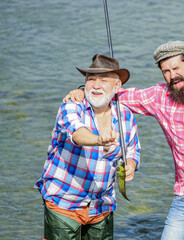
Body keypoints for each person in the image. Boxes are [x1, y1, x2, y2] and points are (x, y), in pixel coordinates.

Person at [64, 34, 184, 239]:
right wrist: (85, 90)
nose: (173, 76)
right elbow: (117, 96)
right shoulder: (158, 96)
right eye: (166, 71)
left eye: (176, 68)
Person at [36, 54, 141, 240]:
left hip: (102, 206)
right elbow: (77, 134)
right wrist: (99, 139)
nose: (96, 85)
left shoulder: (125, 115)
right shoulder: (72, 105)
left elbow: (132, 150)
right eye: (91, 79)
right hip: (64, 202)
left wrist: (131, 165)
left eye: (104, 79)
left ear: (117, 86)